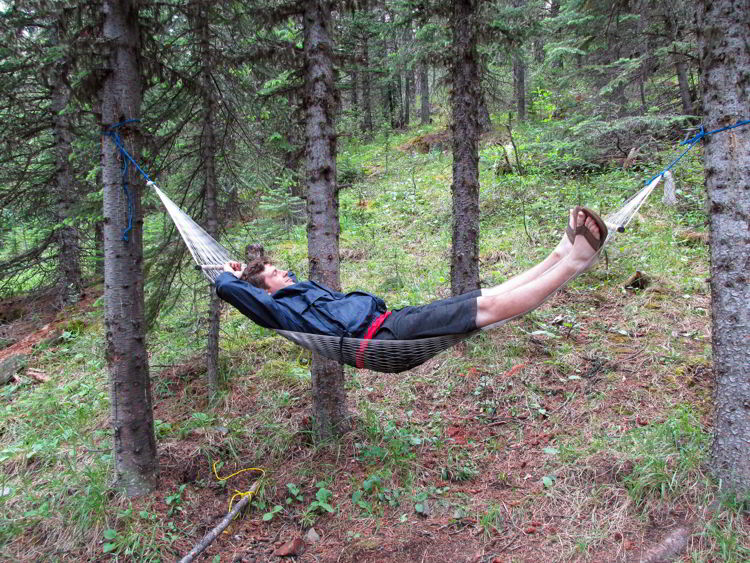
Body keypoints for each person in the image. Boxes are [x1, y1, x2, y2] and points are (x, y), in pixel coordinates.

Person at [215, 207, 607, 341]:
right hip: (382, 339)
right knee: (488, 306)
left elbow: (267, 286)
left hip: (392, 320)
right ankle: (575, 263)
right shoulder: (281, 311)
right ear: (264, 290)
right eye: (274, 272)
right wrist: (227, 276)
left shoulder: (300, 295)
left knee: (483, 295)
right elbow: (239, 295)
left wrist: (242, 270)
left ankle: (559, 255)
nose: (284, 271)